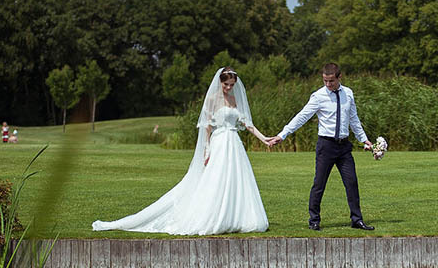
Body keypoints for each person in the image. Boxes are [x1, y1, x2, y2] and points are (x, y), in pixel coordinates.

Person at [93, 67, 270, 235]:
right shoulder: (212, 99)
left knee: (236, 179)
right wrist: (206, 150)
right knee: (216, 179)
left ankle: (236, 217)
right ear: (220, 82)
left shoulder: (234, 100)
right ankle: (214, 216)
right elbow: (206, 128)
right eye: (226, 84)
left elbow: (248, 124)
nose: (229, 88)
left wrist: (264, 139)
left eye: (232, 85)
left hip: (234, 144)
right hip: (219, 143)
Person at [268, 63, 374, 231]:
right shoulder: (318, 96)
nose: (328, 84)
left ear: (340, 78)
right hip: (326, 146)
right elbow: (302, 116)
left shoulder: (349, 94)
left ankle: (356, 219)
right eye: (325, 81)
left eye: (331, 81)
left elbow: (354, 119)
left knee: (352, 182)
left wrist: (364, 140)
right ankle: (314, 220)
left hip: (344, 146)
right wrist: (283, 134)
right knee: (319, 184)